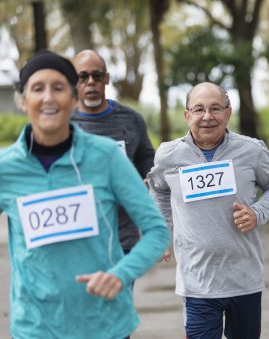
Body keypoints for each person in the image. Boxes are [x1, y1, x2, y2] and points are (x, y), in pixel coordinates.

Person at [0, 50, 170, 338]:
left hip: (103, 323)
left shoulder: (106, 157)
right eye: (37, 88)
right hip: (36, 327)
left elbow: (157, 231)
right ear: (23, 100)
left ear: (73, 97)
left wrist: (122, 273)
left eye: (58, 88)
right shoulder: (7, 169)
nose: (48, 98)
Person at [147, 82, 269, 339]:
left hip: (244, 278)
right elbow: (158, 189)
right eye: (199, 109)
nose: (207, 116)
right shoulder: (169, 155)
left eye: (215, 108)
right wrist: (162, 232)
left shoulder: (252, 149)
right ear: (187, 115)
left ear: (228, 113)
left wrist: (257, 213)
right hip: (197, 281)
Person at [71, 49, 156, 257]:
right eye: (83, 77)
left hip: (123, 239)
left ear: (106, 79)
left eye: (97, 76)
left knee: (121, 291)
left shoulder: (131, 120)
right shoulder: (63, 125)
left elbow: (146, 158)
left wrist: (147, 179)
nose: (90, 82)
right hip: (78, 241)